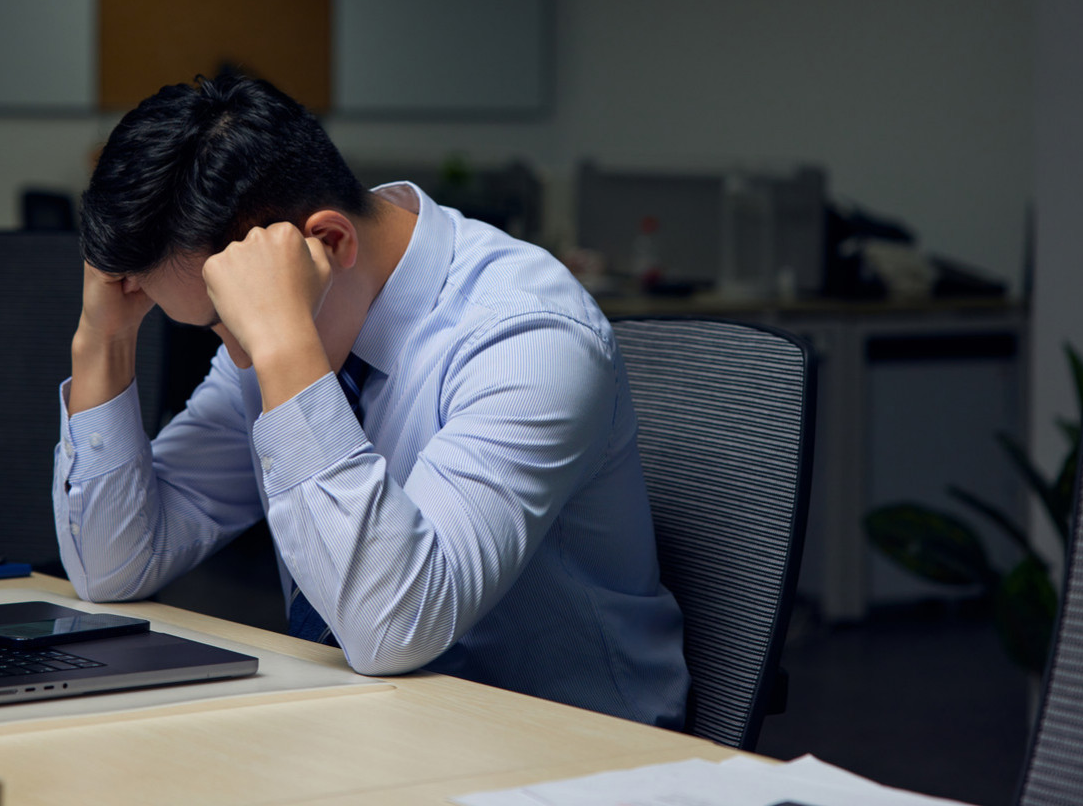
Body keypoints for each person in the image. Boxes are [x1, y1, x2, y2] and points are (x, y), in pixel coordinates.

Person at [53, 73, 689, 726]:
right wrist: (103, 339)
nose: (232, 353)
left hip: (571, 754)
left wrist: (281, 345)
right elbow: (114, 568)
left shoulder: (526, 335)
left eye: (227, 321)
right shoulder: (276, 334)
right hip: (376, 725)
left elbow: (395, 628)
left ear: (326, 246)